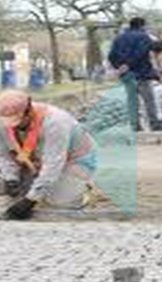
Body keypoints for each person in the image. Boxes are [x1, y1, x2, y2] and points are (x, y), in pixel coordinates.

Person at [0, 91, 97, 220]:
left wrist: (30, 200)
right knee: (12, 193)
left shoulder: (56, 122)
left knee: (58, 203)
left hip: (71, 161)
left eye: (17, 121)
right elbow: (5, 154)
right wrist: (11, 179)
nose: (14, 126)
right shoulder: (3, 120)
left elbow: (53, 163)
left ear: (28, 112)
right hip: (34, 160)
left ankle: (85, 188)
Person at [108, 17, 162, 132]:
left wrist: (119, 67)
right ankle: (155, 125)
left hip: (126, 75)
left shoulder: (119, 38)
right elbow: (140, 53)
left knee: (132, 101)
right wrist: (128, 64)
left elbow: (111, 56)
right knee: (149, 101)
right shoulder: (143, 37)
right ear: (142, 25)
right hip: (142, 73)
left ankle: (135, 126)